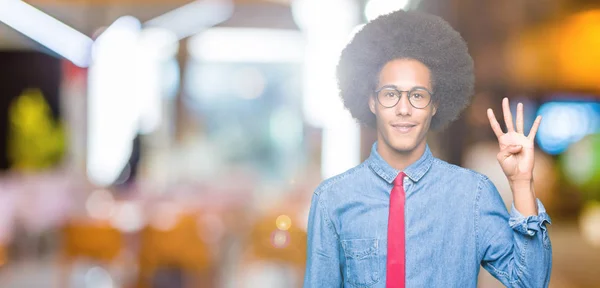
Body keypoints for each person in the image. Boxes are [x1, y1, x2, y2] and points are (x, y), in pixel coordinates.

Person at [303, 10, 552, 288]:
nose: (404, 109)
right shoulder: (332, 199)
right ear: (372, 102)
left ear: (435, 105)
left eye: (418, 95)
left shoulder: (473, 195)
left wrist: (521, 183)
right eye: (390, 94)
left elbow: (530, 282)